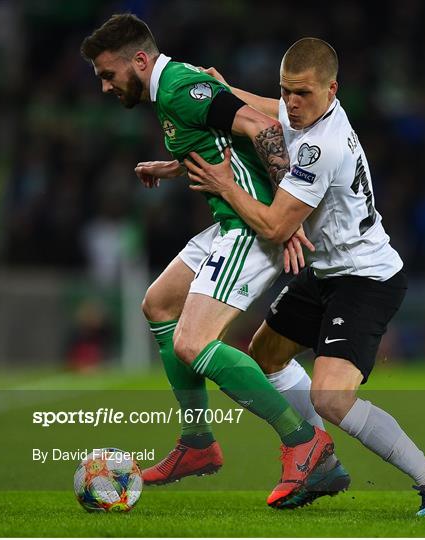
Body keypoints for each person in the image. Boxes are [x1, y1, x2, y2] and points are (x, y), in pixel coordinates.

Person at [185, 38, 425, 516]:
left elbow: (277, 226)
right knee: (266, 356)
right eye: (287, 91)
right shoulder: (307, 113)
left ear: (332, 89)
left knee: (332, 397)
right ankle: (321, 461)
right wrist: (227, 90)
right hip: (324, 272)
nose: (292, 103)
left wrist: (225, 186)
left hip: (365, 279)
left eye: (303, 94)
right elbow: (270, 109)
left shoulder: (321, 146)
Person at [80, 14, 338, 508]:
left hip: (250, 227)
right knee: (158, 305)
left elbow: (261, 126)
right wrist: (175, 166)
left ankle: (303, 441)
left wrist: (285, 211)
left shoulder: (179, 86)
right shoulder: (169, 94)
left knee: (192, 343)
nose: (106, 86)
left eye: (108, 75)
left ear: (139, 60)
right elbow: (226, 139)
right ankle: (197, 443)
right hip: (226, 223)